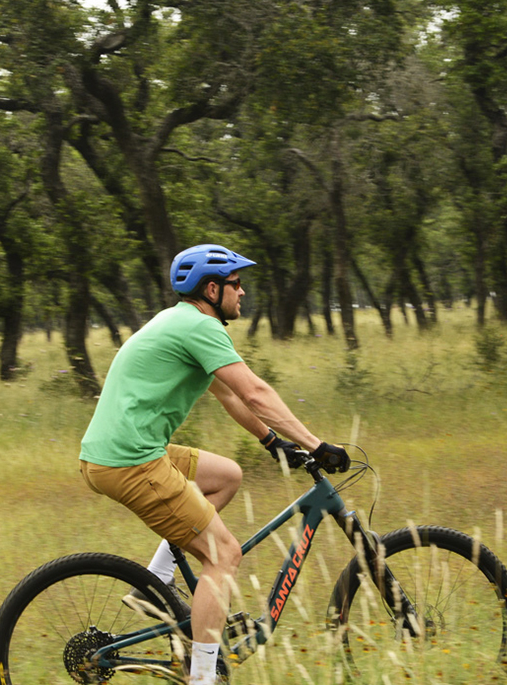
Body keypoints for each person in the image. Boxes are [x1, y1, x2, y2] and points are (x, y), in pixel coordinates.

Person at [79, 243, 350, 685]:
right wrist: (316, 444)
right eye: (236, 284)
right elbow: (255, 393)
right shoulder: (200, 327)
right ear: (211, 288)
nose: (242, 292)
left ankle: (155, 583)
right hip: (130, 460)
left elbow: (228, 395)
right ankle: (203, 677)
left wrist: (271, 441)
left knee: (227, 476)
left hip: (118, 452)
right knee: (224, 555)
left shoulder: (182, 321)